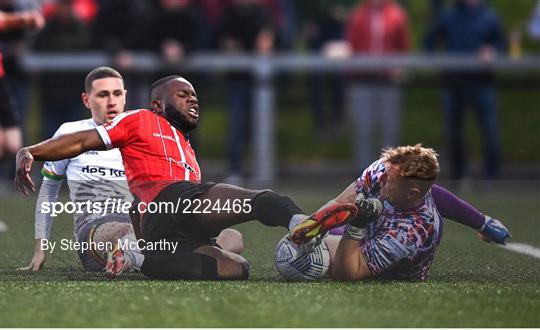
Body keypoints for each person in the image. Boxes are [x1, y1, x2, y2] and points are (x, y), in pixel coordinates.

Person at [14, 75, 355, 280]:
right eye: (184, 93)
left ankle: (141, 258)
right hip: (170, 200)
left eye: (195, 95)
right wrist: (32, 150)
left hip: (168, 227)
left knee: (238, 269)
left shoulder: (188, 151)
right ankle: (307, 225)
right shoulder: (140, 120)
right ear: (158, 104)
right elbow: (81, 140)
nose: (194, 98)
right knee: (264, 200)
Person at [17, 67, 244, 272]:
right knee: (132, 234)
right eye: (102, 95)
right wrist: (40, 250)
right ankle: (143, 256)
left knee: (233, 237)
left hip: (145, 222)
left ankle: (154, 258)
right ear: (87, 100)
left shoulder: (142, 132)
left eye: (117, 94)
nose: (111, 101)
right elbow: (49, 193)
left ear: (125, 96)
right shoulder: (70, 133)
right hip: (96, 227)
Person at [298, 145, 511, 281]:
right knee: (302, 237)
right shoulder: (386, 171)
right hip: (371, 230)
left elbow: (348, 274)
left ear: (411, 193)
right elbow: (339, 202)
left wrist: (356, 227)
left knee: (301, 258)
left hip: (388, 263)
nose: (379, 180)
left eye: (387, 180)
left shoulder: (411, 234)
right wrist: (312, 225)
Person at [423, 0, 506, 180]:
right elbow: (428, 41)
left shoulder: (490, 16)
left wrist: (493, 51)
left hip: (483, 82)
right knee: (453, 132)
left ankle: (491, 176)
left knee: (490, 130)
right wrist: (439, 62)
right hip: (453, 83)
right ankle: (459, 176)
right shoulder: (448, 16)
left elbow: (502, 45)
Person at [345, 0, 411, 170]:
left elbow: (404, 47)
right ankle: (363, 177)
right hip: (363, 80)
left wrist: (400, 66)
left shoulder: (397, 15)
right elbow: (350, 46)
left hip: (388, 81)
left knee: (390, 130)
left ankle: (390, 176)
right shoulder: (358, 15)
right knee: (363, 130)